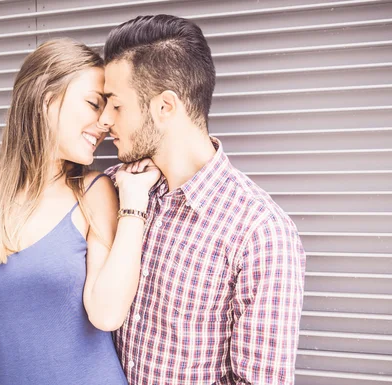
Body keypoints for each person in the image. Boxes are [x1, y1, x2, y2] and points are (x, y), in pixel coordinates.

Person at [0, 38, 159, 385]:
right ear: (45, 98)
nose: (104, 122)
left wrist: (135, 203)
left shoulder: (94, 192)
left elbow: (108, 313)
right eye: (93, 104)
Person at [99, 15, 307, 384]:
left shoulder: (260, 233)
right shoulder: (112, 190)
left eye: (116, 105)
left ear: (165, 106)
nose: (104, 120)